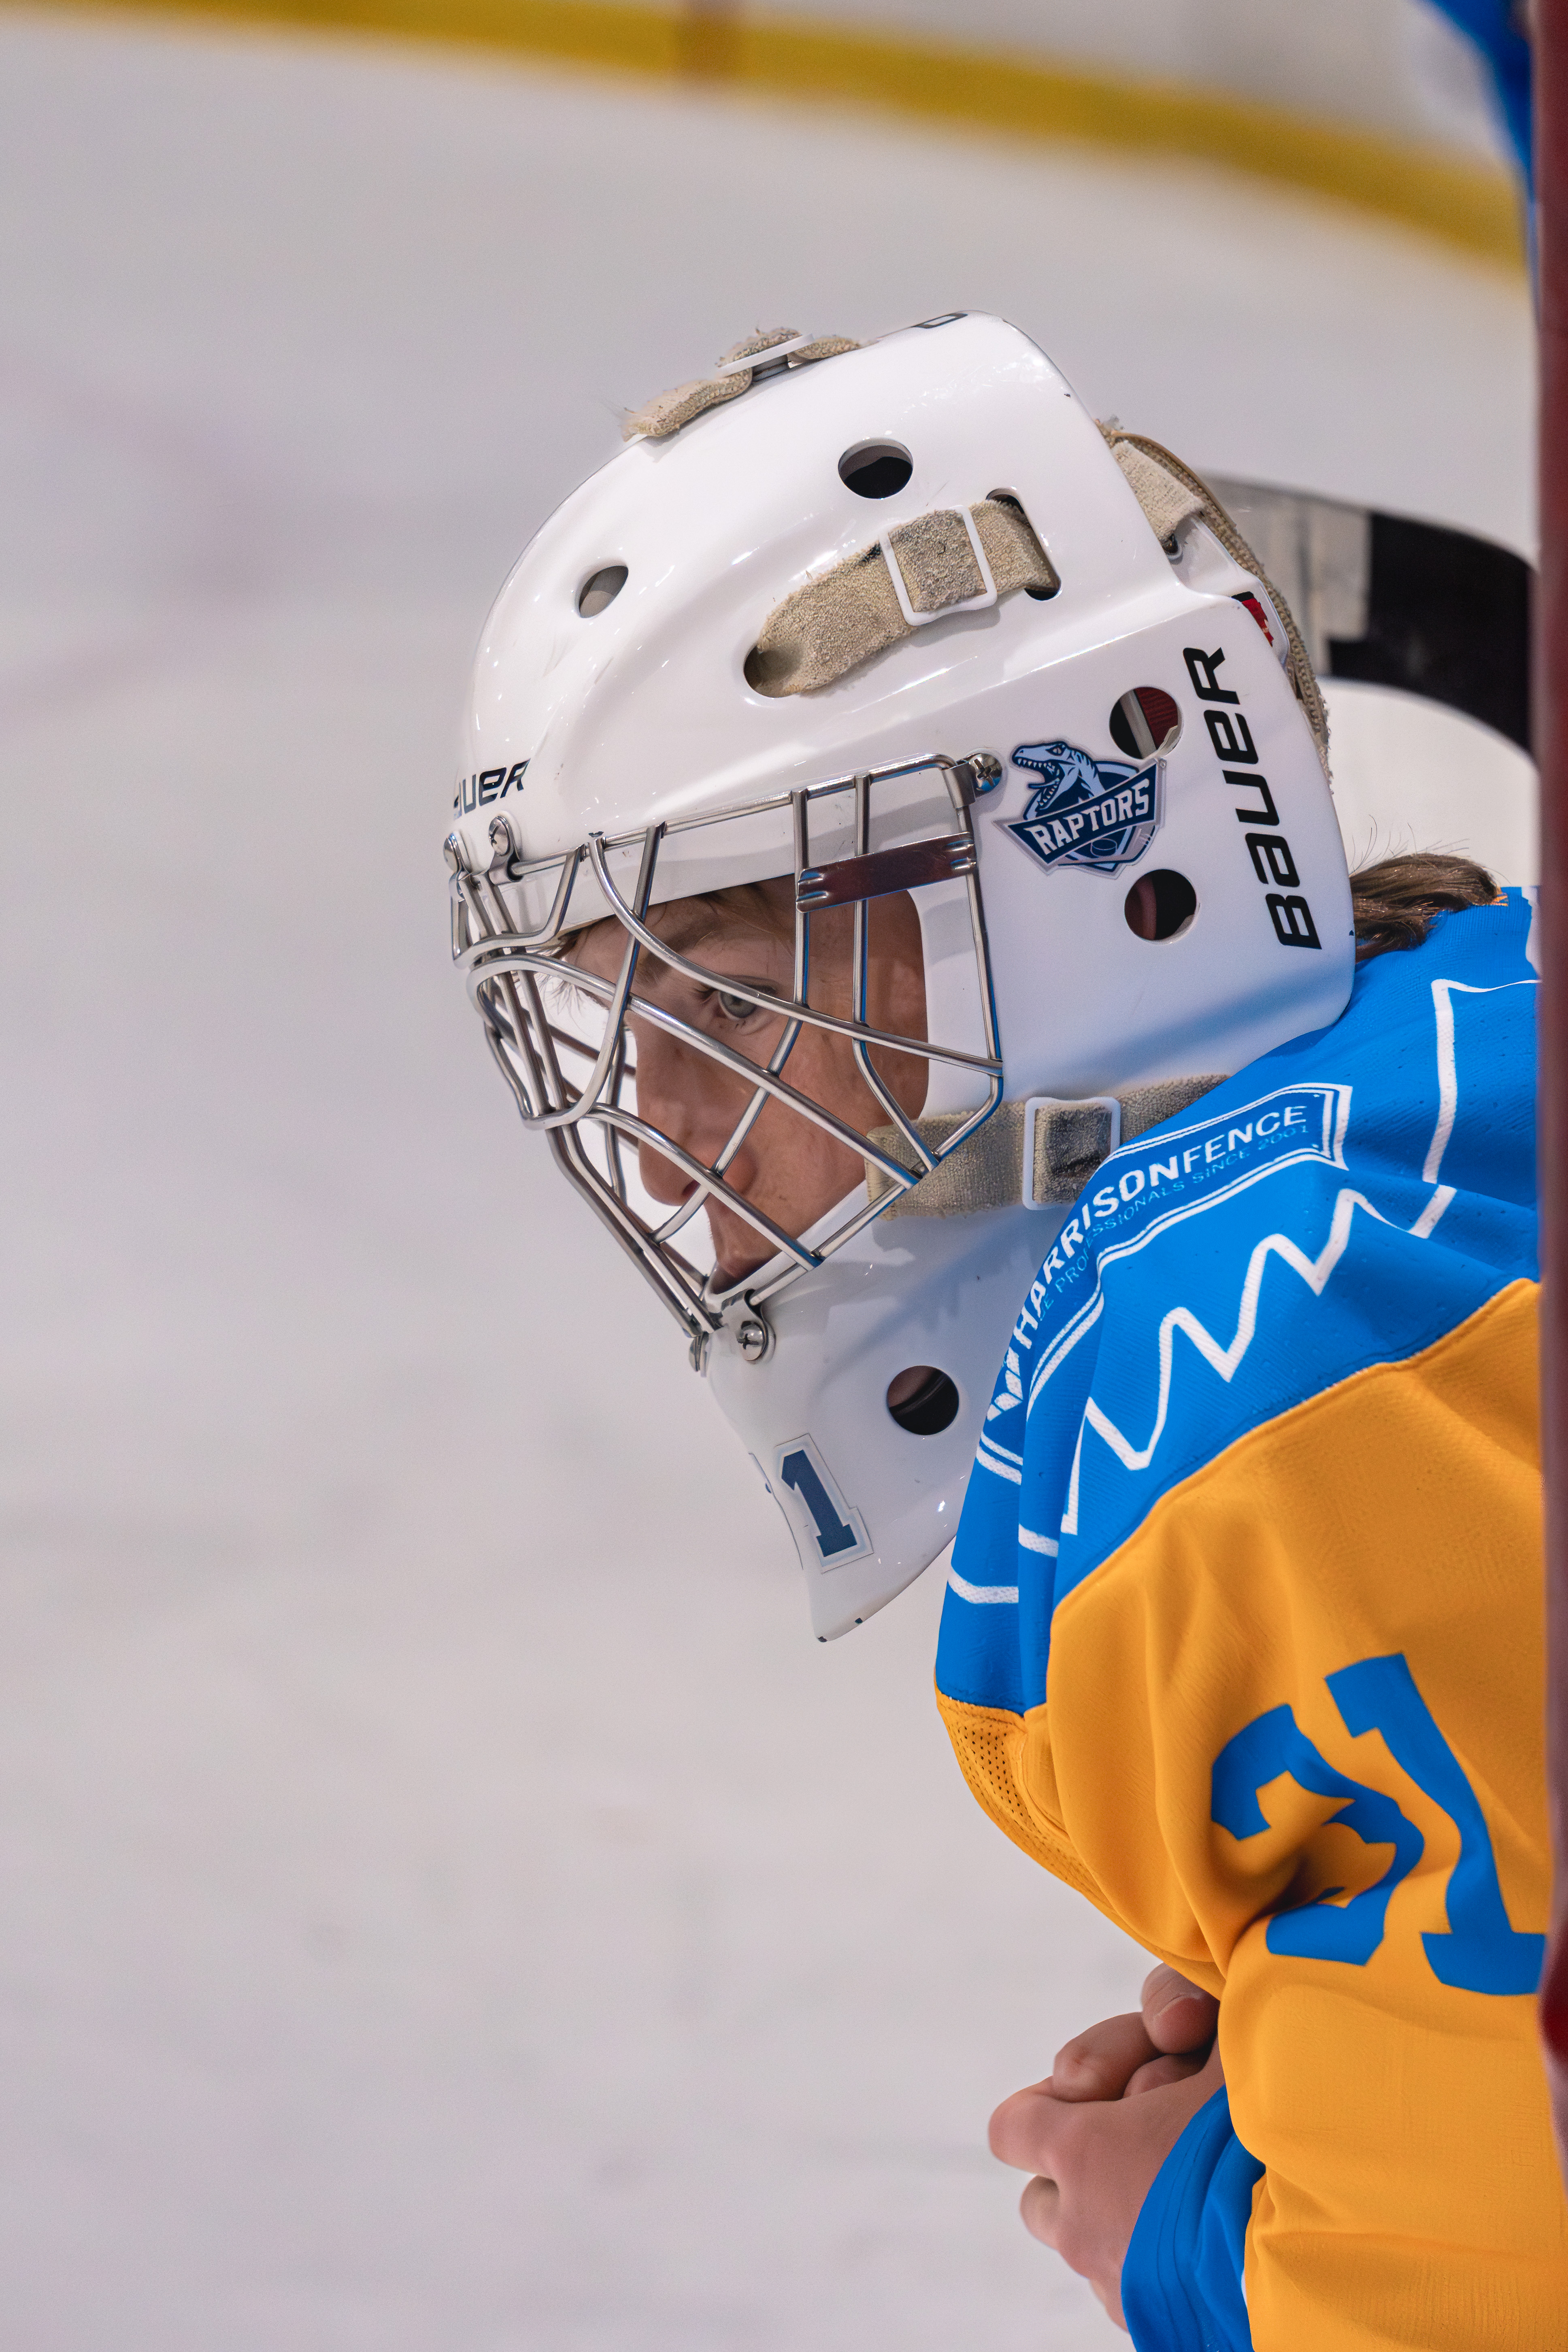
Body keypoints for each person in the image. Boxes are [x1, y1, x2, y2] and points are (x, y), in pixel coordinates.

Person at [444, 314, 1567, 2342]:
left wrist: (1244, 2253)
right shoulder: (1474, 1038)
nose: (667, 1127)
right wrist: (1343, 2059)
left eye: (721, 996)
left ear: (1099, 872)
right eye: (623, 1018)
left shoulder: (1212, 1405)